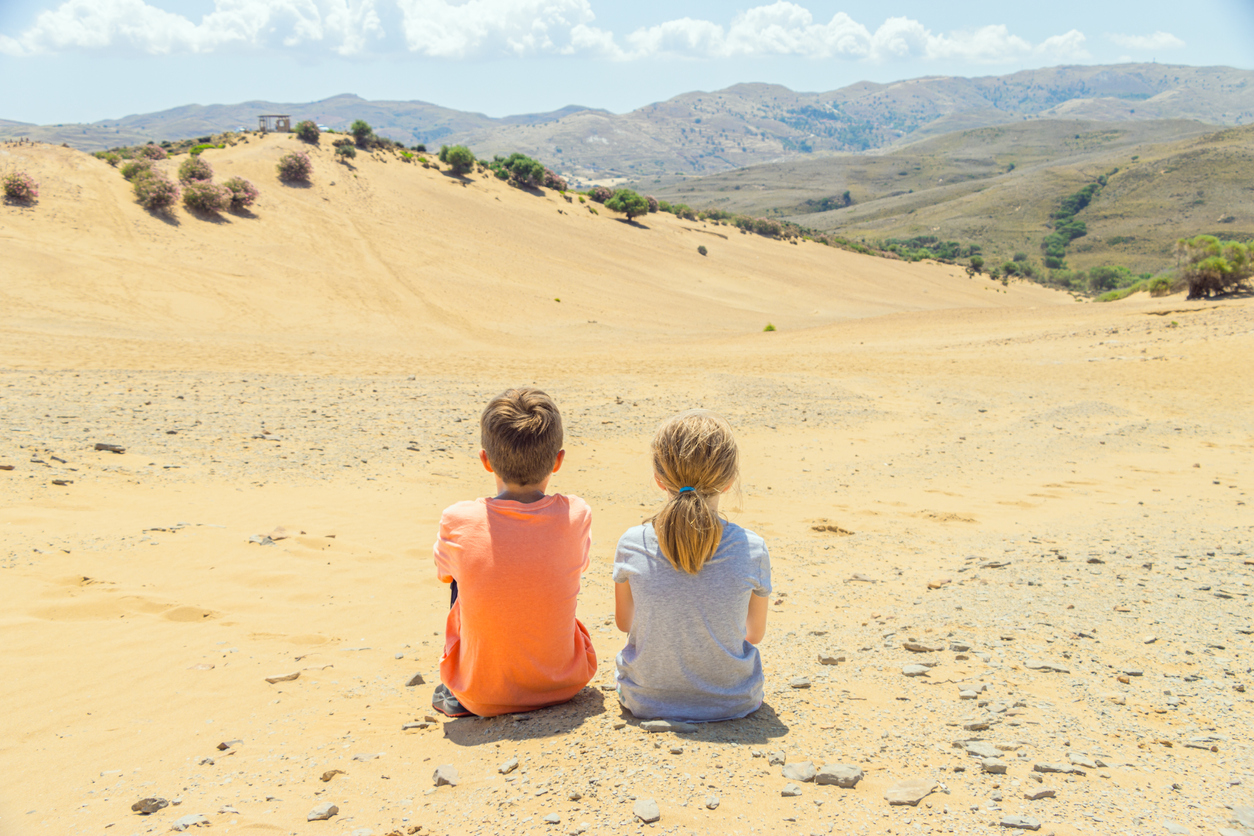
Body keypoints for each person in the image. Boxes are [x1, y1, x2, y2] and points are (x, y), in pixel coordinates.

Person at [431, 387, 597, 717]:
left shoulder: (458, 519)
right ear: (558, 460)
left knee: (460, 577)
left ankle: (474, 679)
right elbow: (581, 566)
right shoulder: (576, 514)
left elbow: (444, 575)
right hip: (564, 682)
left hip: (481, 696)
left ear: (485, 461)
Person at [613, 409, 771, 722]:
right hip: (734, 702)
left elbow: (625, 623)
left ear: (659, 479)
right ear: (728, 482)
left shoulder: (632, 543)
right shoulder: (751, 548)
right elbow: (753, 633)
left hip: (645, 699)